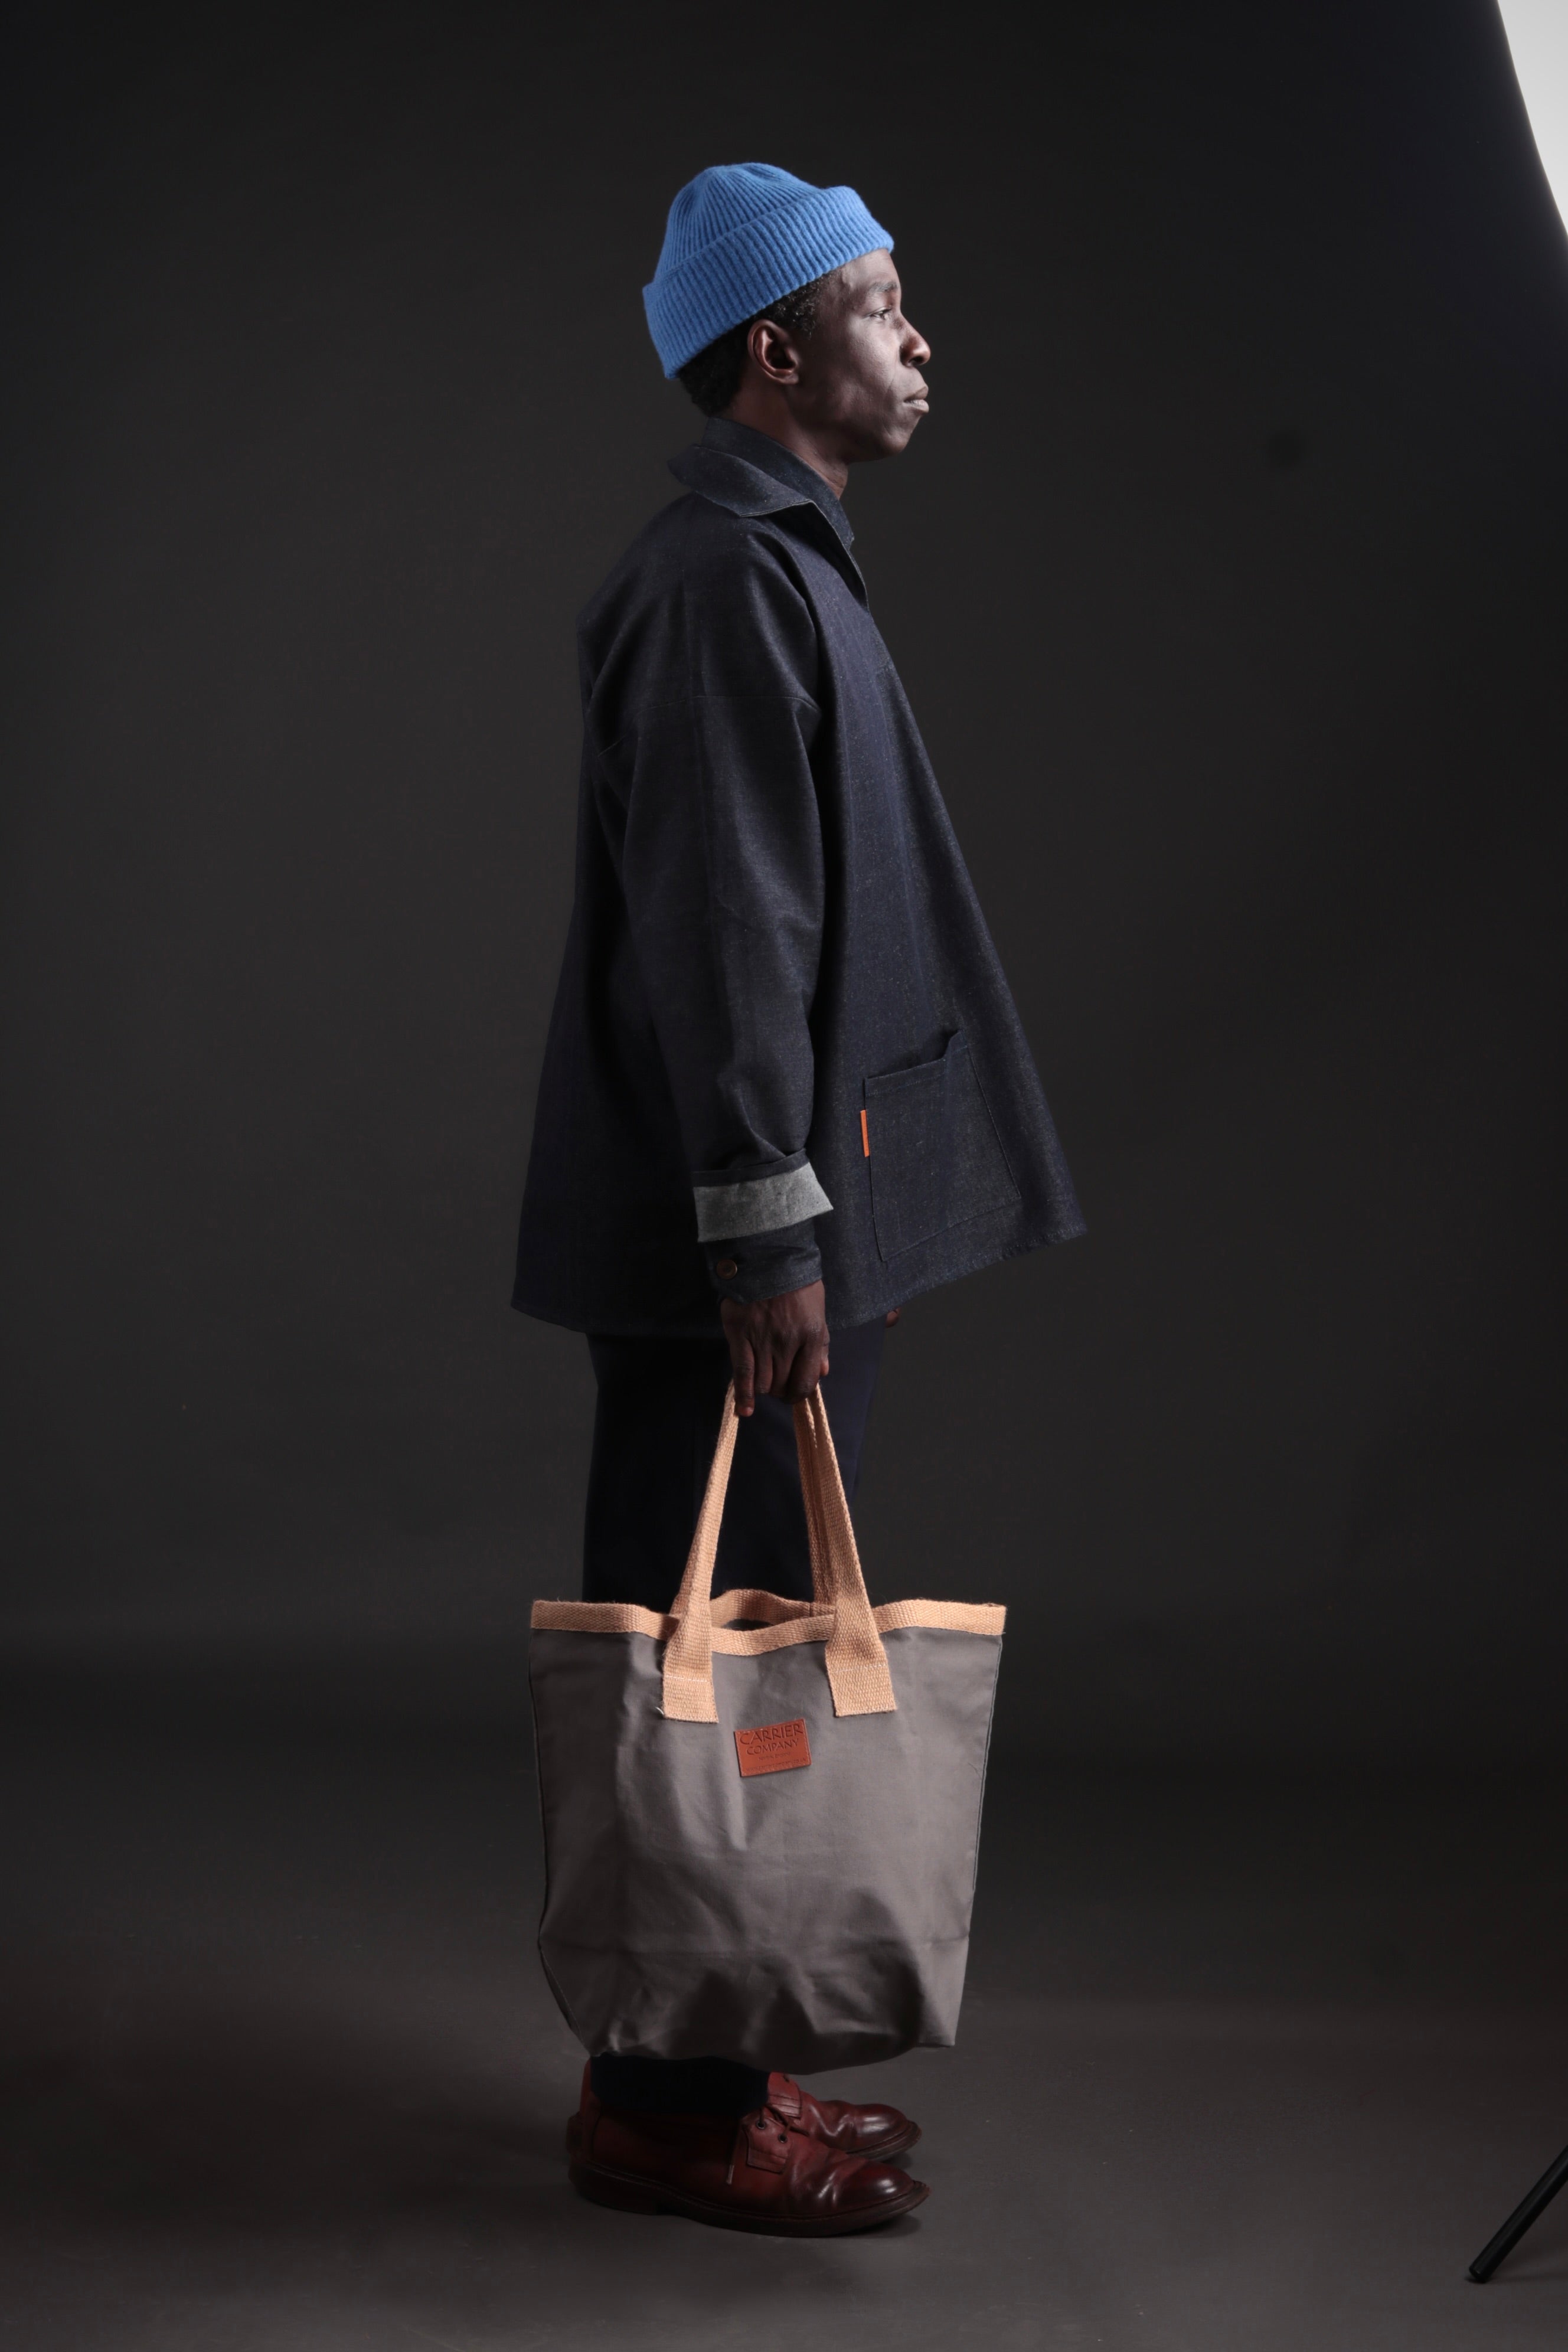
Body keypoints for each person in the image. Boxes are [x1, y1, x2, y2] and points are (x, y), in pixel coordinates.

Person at [515, 161, 1083, 2234]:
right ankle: (666, 2112)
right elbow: (730, 933)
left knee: (732, 1662)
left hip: (745, 1230)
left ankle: (700, 2067)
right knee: (709, 1666)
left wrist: (836, 1220)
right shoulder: (723, 582)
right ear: (781, 348)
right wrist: (772, 1238)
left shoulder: (779, 563)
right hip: (707, 1244)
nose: (918, 339)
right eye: (881, 304)